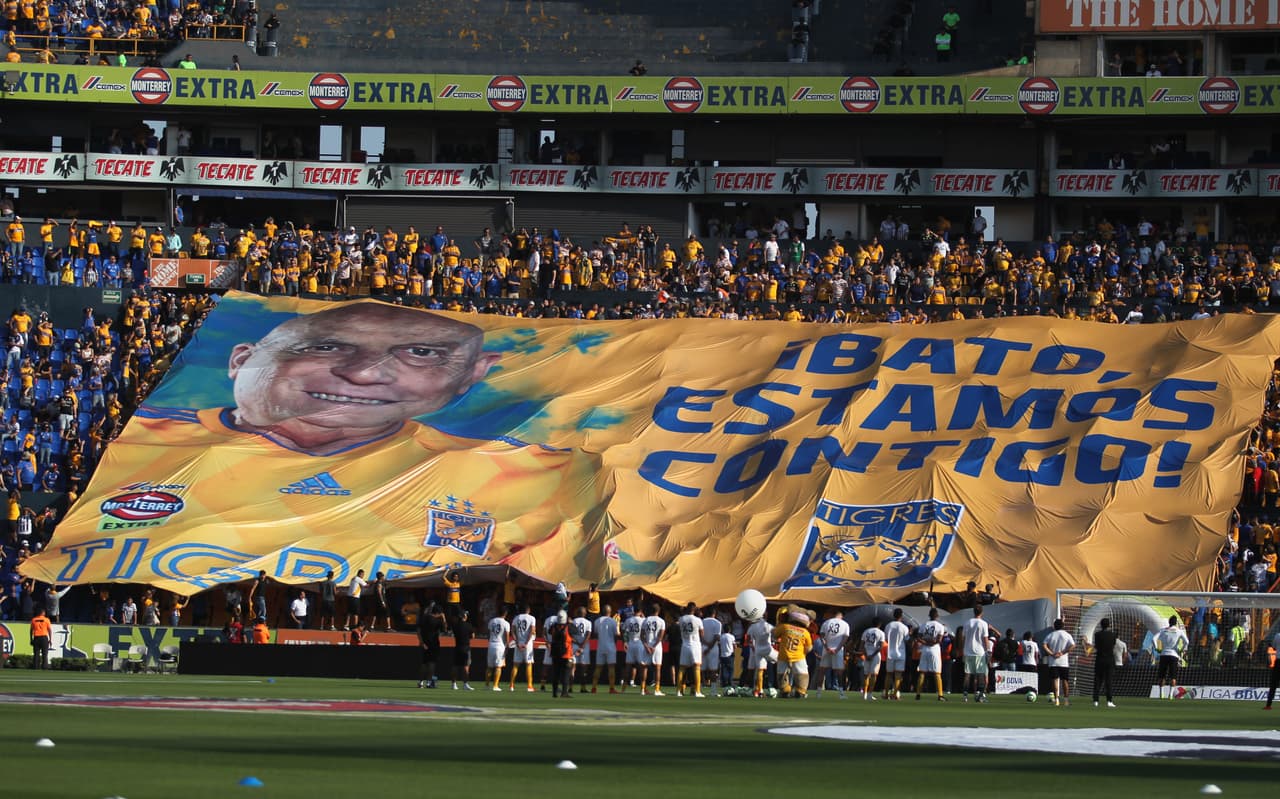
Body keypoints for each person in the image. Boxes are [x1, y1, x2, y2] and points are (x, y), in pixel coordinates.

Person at [27, 302, 599, 590]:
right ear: (241, 359)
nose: (367, 374)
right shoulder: (147, 444)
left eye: (421, 354)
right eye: (325, 346)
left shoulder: (527, 475)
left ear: (472, 376)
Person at [773, 607, 813, 699]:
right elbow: (809, 647)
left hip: (784, 655)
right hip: (799, 656)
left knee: (781, 674)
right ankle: (801, 691)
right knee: (802, 674)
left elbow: (775, 635)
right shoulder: (805, 632)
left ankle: (785, 691)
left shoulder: (784, 627)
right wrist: (804, 653)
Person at [813, 609, 850, 698]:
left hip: (827, 649)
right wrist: (837, 649)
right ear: (841, 616)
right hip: (838, 650)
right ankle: (841, 693)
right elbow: (845, 638)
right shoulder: (845, 624)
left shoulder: (826, 623)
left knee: (822, 670)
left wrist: (826, 647)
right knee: (839, 672)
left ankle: (818, 693)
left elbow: (821, 636)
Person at [1153, 614, 1189, 700]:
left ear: (1169, 622)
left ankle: (1161, 694)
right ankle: (1171, 695)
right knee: (1173, 676)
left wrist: (1157, 648)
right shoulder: (1179, 631)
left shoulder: (1163, 630)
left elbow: (1153, 639)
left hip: (1164, 654)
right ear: (1176, 623)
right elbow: (1187, 642)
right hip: (1174, 655)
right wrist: (1182, 650)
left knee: (1162, 676)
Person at [915, 608, 948, 701]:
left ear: (929, 615)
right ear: (937, 616)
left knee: (922, 672)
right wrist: (932, 642)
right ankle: (940, 695)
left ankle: (918, 694)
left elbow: (918, 637)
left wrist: (925, 642)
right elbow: (939, 640)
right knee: (937, 673)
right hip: (934, 650)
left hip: (925, 649)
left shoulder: (924, 625)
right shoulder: (940, 626)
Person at [1043, 618, 1077, 707]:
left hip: (1053, 661)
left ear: (1054, 626)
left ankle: (1057, 700)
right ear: (1063, 626)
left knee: (1055, 680)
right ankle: (1066, 700)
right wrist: (1063, 652)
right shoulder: (1067, 635)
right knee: (1065, 680)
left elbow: (1044, 645)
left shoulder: (1050, 635)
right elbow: (1073, 645)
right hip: (1064, 662)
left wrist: (1052, 653)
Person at [963, 604, 991, 703]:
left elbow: (964, 637)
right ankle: (980, 694)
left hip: (968, 651)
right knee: (981, 674)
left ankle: (965, 695)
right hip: (979, 652)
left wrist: (964, 650)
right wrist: (988, 651)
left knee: (967, 674)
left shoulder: (967, 622)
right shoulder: (983, 623)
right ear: (982, 612)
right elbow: (985, 639)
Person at [676, 602, 705, 698]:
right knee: (696, 667)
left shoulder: (681, 619)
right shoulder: (698, 620)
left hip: (685, 644)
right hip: (695, 645)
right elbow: (702, 634)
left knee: (682, 668)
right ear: (694, 609)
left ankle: (679, 691)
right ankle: (697, 691)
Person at [508, 602, 537, 692]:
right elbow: (532, 631)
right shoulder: (532, 618)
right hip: (527, 644)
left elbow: (512, 631)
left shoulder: (516, 618)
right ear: (528, 610)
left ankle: (511, 685)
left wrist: (517, 642)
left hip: (518, 643)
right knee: (528, 664)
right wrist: (526, 642)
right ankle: (529, 685)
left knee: (516, 665)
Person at [638, 602, 666, 696]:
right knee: (657, 668)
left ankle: (642, 689)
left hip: (647, 645)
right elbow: (660, 637)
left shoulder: (645, 620)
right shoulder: (661, 621)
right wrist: (654, 646)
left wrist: (646, 646)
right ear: (658, 611)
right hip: (656, 647)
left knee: (644, 667)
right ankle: (657, 690)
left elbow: (641, 636)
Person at [591, 603, 619, 693]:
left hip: (600, 646)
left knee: (598, 667)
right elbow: (616, 634)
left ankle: (594, 687)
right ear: (610, 612)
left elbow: (595, 633)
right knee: (611, 667)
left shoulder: (597, 621)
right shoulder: (613, 621)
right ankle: (611, 688)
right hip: (610, 646)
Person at [883, 608, 910, 700]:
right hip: (901, 653)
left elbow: (886, 639)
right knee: (898, 675)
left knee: (889, 674)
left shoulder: (888, 626)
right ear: (901, 616)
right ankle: (895, 694)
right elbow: (907, 640)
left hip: (890, 652)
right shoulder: (904, 627)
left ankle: (886, 694)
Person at [1091, 618, 1118, 707]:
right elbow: (1113, 645)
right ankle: (1109, 700)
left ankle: (1096, 700)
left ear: (1101, 625)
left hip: (1100, 659)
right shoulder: (1113, 635)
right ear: (1109, 625)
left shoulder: (1097, 634)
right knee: (1108, 681)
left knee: (1098, 680)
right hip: (1110, 659)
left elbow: (1097, 646)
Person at [747, 612, 775, 698]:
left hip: (758, 650)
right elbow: (776, 635)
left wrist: (753, 646)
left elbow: (748, 639)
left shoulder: (753, 626)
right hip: (768, 649)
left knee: (759, 671)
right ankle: (786, 686)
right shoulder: (768, 626)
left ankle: (760, 690)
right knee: (782, 661)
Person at [418, 601, 445, 688]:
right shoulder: (438, 621)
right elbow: (445, 630)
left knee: (424, 663)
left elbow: (418, 631)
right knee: (432, 663)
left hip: (425, 643)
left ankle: (420, 682)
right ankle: (429, 682)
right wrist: (443, 619)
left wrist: (421, 642)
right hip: (434, 643)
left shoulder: (425, 618)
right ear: (438, 613)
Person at [548, 610, 574, 698]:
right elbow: (576, 632)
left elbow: (549, 632)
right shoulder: (569, 627)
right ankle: (564, 692)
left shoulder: (553, 626)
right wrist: (571, 622)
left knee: (556, 673)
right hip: (566, 653)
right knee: (566, 673)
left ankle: (554, 692)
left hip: (555, 653)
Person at [486, 606, 511, 691]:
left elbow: (488, 634)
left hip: (491, 644)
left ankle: (487, 685)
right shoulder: (506, 623)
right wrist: (507, 647)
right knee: (498, 667)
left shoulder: (491, 621)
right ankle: (495, 685)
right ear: (505, 614)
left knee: (489, 667)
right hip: (500, 645)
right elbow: (507, 638)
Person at [860, 622, 886, 701]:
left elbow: (861, 645)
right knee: (874, 675)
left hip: (867, 653)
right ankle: (870, 694)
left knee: (866, 675)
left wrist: (866, 654)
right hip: (875, 655)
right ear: (879, 625)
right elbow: (881, 646)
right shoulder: (881, 632)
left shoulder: (866, 631)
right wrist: (873, 655)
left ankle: (864, 694)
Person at [621, 605, 644, 692]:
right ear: (640, 612)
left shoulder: (628, 620)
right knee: (641, 666)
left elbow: (623, 631)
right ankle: (643, 688)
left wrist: (625, 642)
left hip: (631, 643)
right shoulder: (642, 620)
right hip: (639, 643)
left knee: (628, 666)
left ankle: (623, 689)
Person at [700, 607, 723, 697]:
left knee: (701, 669)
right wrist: (709, 647)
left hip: (703, 646)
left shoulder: (702, 621)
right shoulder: (718, 623)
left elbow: (700, 635)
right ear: (714, 613)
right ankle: (713, 691)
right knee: (713, 670)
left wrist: (705, 645)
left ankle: (699, 689)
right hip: (713, 648)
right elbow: (717, 637)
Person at [570, 607, 593, 693]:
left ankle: (570, 687)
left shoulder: (573, 621)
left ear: (577, 613)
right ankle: (583, 688)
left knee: (572, 668)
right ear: (585, 613)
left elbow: (570, 635)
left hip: (574, 646)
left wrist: (577, 643)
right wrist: (582, 646)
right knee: (584, 668)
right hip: (585, 647)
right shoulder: (588, 622)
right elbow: (588, 635)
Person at [451, 609, 475, 690]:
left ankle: (454, 684)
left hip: (457, 647)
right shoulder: (468, 625)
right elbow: (473, 636)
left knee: (455, 666)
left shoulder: (455, 625)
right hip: (466, 648)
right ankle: (465, 684)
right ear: (464, 616)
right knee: (465, 666)